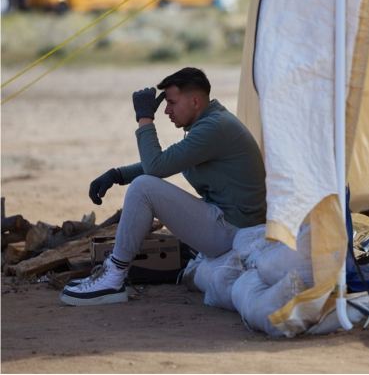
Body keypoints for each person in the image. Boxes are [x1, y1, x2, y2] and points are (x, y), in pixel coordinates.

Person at [60, 67, 266, 306]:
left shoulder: (214, 128)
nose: (167, 110)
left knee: (144, 188)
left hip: (231, 230)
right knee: (143, 184)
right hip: (227, 225)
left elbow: (156, 167)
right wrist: (117, 174)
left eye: (171, 102)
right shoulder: (210, 124)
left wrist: (145, 118)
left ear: (195, 101)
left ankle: (113, 276)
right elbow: (167, 161)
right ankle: (112, 275)